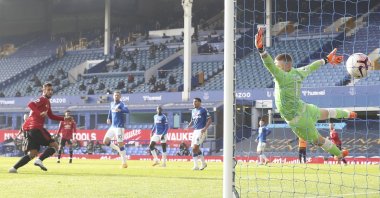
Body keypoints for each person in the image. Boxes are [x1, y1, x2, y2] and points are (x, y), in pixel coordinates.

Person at [255, 28, 356, 160]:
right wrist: (326, 60)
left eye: (277, 65)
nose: (275, 67)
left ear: (285, 66)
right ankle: (348, 113)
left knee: (318, 140)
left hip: (298, 121)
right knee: (324, 112)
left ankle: (339, 154)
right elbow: (312, 66)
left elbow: (269, 65)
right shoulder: (298, 72)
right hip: (304, 108)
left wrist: (262, 50)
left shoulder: (281, 76)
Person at [9, 83, 67, 173]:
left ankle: (13, 168)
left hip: (29, 130)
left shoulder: (47, 102)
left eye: (51, 90)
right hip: (36, 128)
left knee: (32, 154)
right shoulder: (43, 99)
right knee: (55, 146)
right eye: (48, 90)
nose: (50, 91)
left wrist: (64, 119)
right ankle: (39, 160)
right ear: (43, 90)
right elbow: (30, 104)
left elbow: (51, 116)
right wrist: (39, 113)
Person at [103, 91, 129, 168]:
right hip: (112, 126)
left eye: (118, 95)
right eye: (115, 95)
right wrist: (108, 118)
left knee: (120, 143)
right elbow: (110, 111)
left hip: (119, 127)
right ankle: (118, 149)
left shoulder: (121, 104)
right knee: (105, 141)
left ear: (120, 96)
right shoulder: (111, 103)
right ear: (113, 96)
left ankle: (124, 163)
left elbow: (127, 111)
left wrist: (120, 110)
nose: (116, 96)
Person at [188, 97, 212, 170]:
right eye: (193, 102)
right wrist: (189, 125)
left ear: (199, 102)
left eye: (195, 101)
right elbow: (192, 120)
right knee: (195, 148)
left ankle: (196, 165)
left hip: (201, 130)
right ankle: (202, 163)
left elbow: (210, 119)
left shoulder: (203, 110)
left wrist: (205, 128)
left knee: (195, 148)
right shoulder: (193, 111)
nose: (194, 103)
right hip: (195, 131)